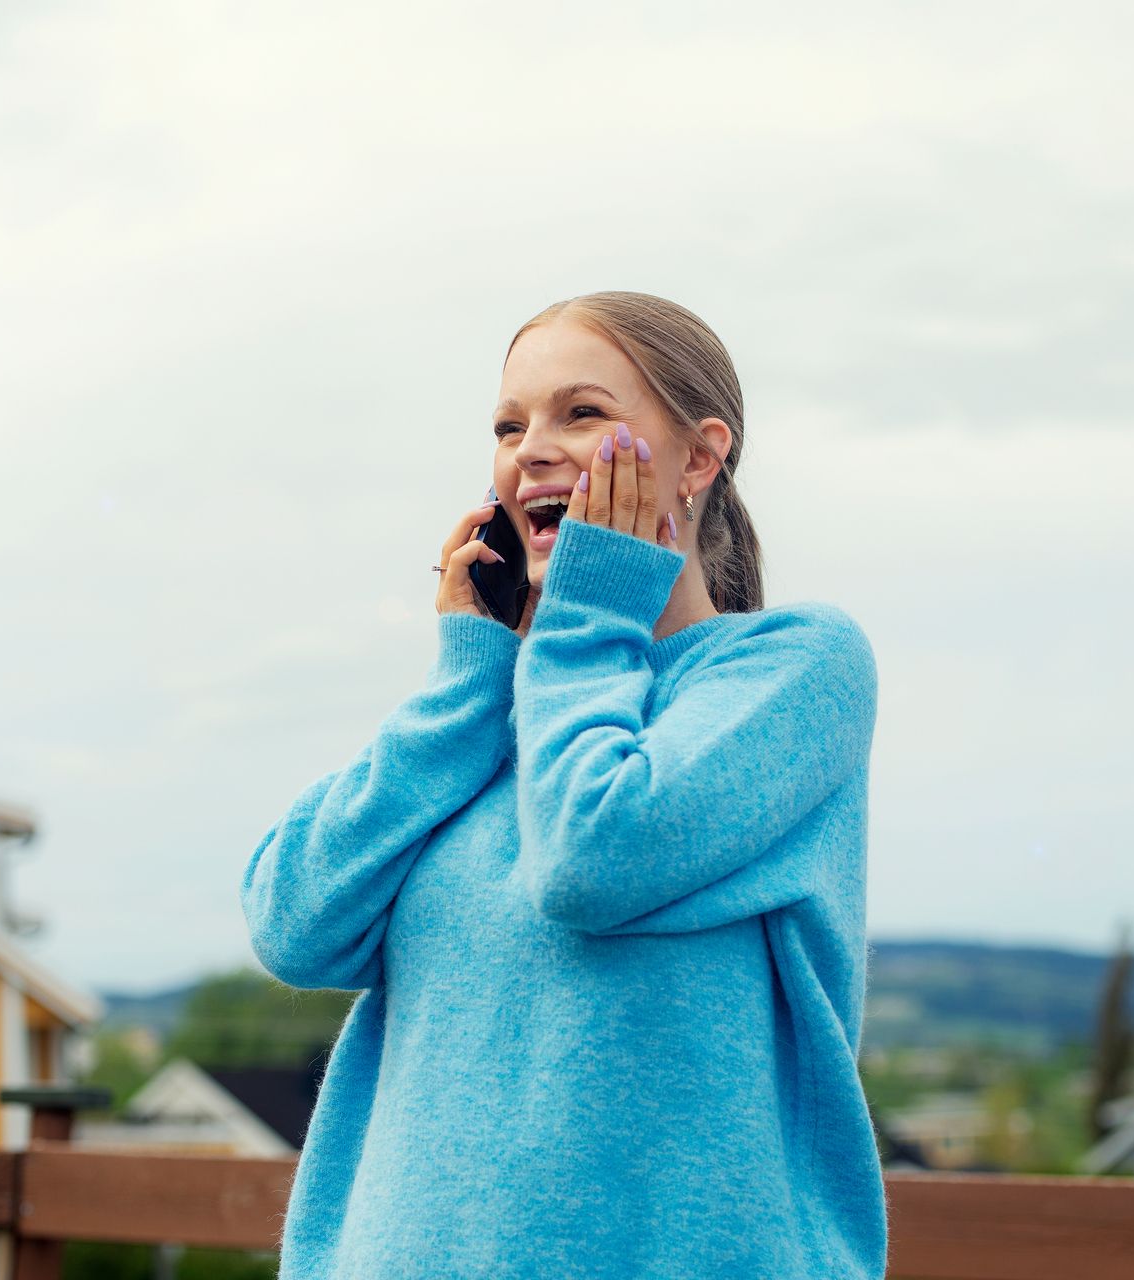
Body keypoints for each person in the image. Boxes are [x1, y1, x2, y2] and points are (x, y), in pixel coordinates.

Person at [241, 290, 884, 1278]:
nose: (531, 450)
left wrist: (587, 613)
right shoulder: (494, 713)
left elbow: (594, 859)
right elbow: (295, 924)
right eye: (509, 427)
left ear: (699, 458)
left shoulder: (796, 667)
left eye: (580, 413)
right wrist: (466, 681)